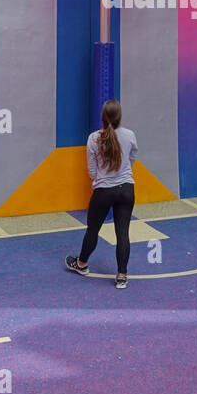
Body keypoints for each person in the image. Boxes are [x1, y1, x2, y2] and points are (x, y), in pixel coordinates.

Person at [65, 99, 138, 289]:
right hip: (127, 189)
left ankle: (81, 264)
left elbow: (91, 171)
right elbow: (132, 159)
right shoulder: (130, 135)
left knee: (93, 229)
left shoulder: (93, 138)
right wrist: (121, 174)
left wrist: (104, 180)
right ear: (119, 116)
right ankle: (121, 276)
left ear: (102, 117)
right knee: (123, 233)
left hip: (103, 190)